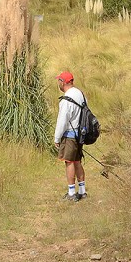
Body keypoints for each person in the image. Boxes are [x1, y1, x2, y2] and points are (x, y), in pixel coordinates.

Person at [54, 71, 87, 202]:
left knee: (70, 162)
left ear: (64, 82)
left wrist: (57, 138)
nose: (58, 83)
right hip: (80, 133)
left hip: (70, 135)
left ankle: (71, 193)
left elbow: (62, 121)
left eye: (59, 81)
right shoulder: (80, 94)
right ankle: (82, 191)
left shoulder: (66, 99)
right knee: (77, 161)